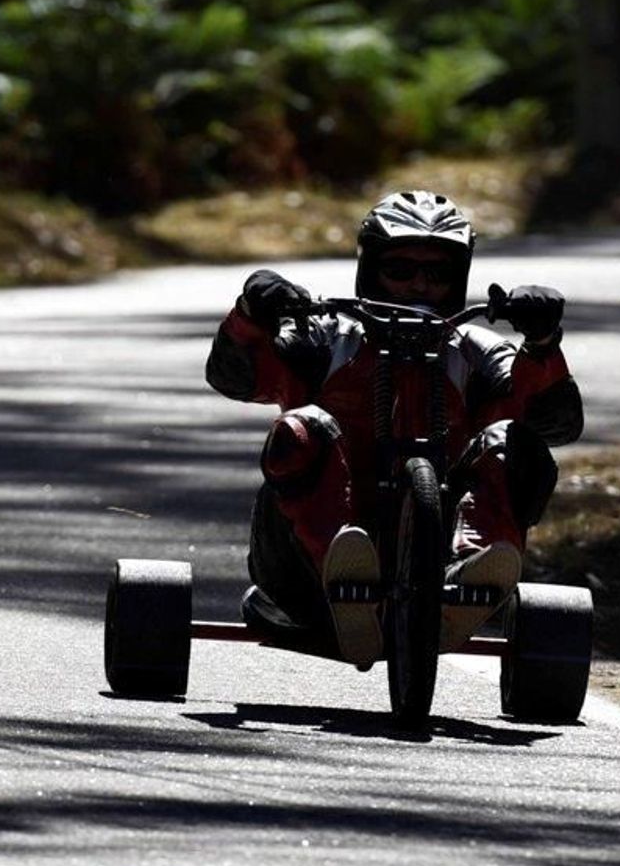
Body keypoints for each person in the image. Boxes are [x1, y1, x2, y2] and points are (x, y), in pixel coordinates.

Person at [205, 190, 583, 662]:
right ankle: (343, 576)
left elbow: (552, 423)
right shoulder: (322, 336)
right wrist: (250, 316)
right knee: (303, 427)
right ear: (371, 269)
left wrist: (542, 342)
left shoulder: (478, 350)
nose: (419, 285)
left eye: (437, 273)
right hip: (296, 568)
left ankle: (465, 572)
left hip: (438, 555)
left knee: (512, 444)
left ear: (458, 277)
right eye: (401, 269)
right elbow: (234, 377)